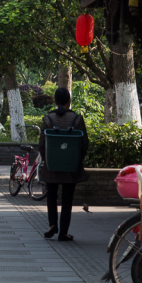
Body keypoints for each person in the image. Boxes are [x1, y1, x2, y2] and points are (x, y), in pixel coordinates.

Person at [39, 87, 89, 242]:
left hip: (51, 167)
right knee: (67, 200)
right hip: (70, 167)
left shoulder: (48, 119)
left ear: (55, 101)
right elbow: (84, 143)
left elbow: (41, 144)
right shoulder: (77, 119)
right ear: (69, 101)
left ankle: (52, 225)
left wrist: (47, 159)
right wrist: (76, 160)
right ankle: (64, 233)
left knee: (51, 196)